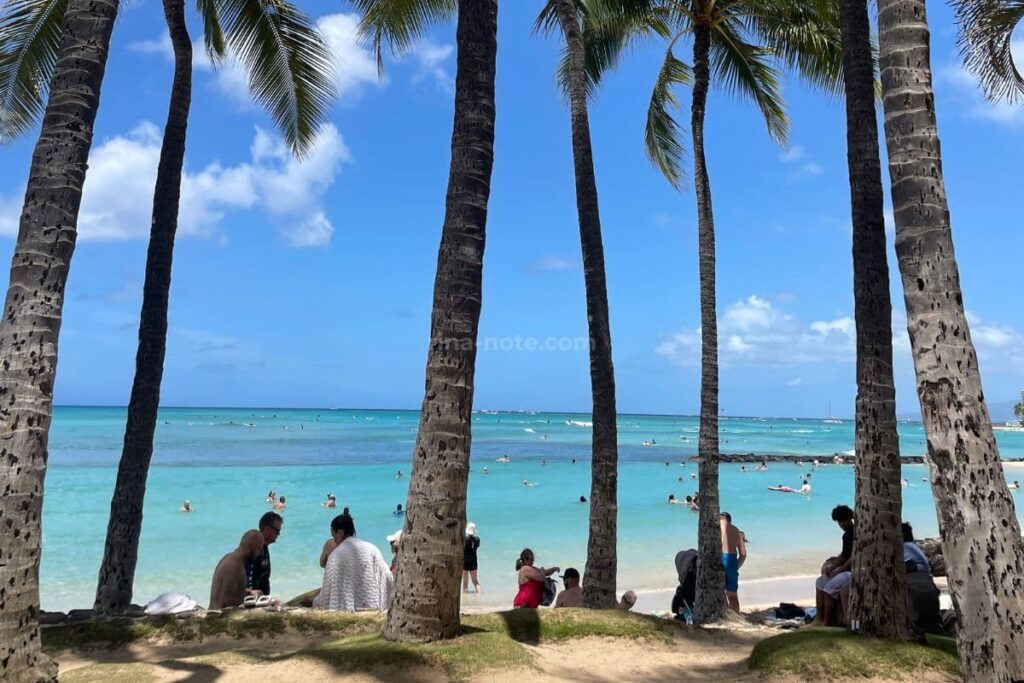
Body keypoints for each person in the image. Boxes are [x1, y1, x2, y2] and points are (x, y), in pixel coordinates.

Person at [314, 512, 394, 611]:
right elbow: (389, 578)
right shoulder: (373, 549)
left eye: (334, 536)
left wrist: (315, 602)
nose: (334, 541)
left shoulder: (336, 556)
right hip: (374, 609)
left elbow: (326, 595)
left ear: (340, 533)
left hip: (348, 614)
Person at [811, 505, 855, 626]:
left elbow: (850, 557)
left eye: (843, 521)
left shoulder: (852, 534)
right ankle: (819, 618)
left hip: (851, 571)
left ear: (849, 519)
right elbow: (845, 554)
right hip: (846, 568)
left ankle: (827, 623)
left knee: (829, 587)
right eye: (839, 522)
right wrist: (833, 564)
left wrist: (837, 568)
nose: (841, 524)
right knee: (820, 582)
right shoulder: (848, 535)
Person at [210, 530, 264, 609]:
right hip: (219, 618)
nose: (259, 554)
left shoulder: (231, 559)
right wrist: (254, 601)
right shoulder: (234, 567)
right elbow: (226, 603)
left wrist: (250, 593)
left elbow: (228, 591)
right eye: (259, 549)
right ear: (250, 545)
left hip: (215, 614)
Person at [247, 511, 282, 597]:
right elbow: (237, 580)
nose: (278, 534)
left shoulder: (264, 548)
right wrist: (250, 592)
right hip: (250, 601)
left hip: (261, 599)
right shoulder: (253, 549)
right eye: (277, 531)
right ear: (267, 529)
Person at [720, 512, 747, 611]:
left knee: (717, 593)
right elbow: (743, 555)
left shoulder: (715, 528)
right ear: (730, 521)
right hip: (731, 560)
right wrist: (736, 566)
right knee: (732, 596)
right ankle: (736, 617)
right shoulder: (737, 531)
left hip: (719, 558)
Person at [463, 522, 481, 593]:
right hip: (474, 561)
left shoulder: (465, 540)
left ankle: (465, 600)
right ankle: (480, 596)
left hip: (465, 561)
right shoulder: (477, 540)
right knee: (475, 581)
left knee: (465, 583)